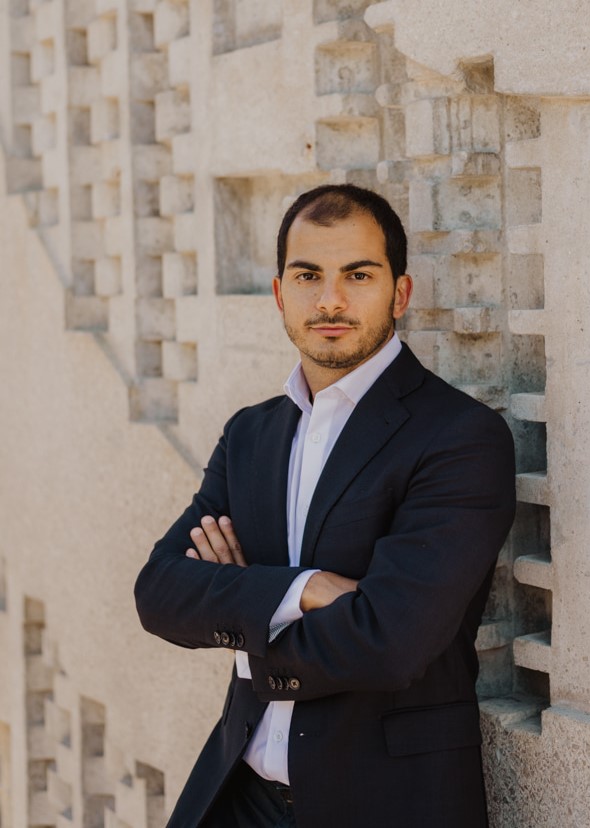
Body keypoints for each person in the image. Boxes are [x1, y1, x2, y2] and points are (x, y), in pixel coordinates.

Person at [134, 184, 516, 828]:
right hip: (238, 797)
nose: (330, 299)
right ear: (280, 293)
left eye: (358, 275)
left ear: (400, 293)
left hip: (383, 805)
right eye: (308, 275)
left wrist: (242, 614)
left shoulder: (460, 437)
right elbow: (160, 592)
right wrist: (306, 590)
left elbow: (391, 642)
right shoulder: (250, 434)